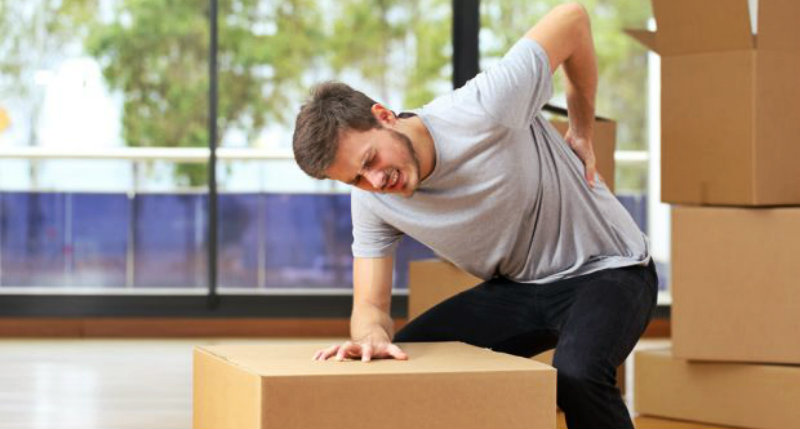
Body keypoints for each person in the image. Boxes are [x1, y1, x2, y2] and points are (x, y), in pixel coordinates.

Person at [291, 3, 656, 428]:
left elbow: (573, 19)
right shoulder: (373, 200)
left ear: (384, 116)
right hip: (521, 288)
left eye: (371, 159)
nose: (375, 181)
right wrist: (370, 339)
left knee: (576, 373)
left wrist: (582, 129)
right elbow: (370, 305)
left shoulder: (485, 107)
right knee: (404, 367)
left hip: (611, 268)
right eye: (356, 179)